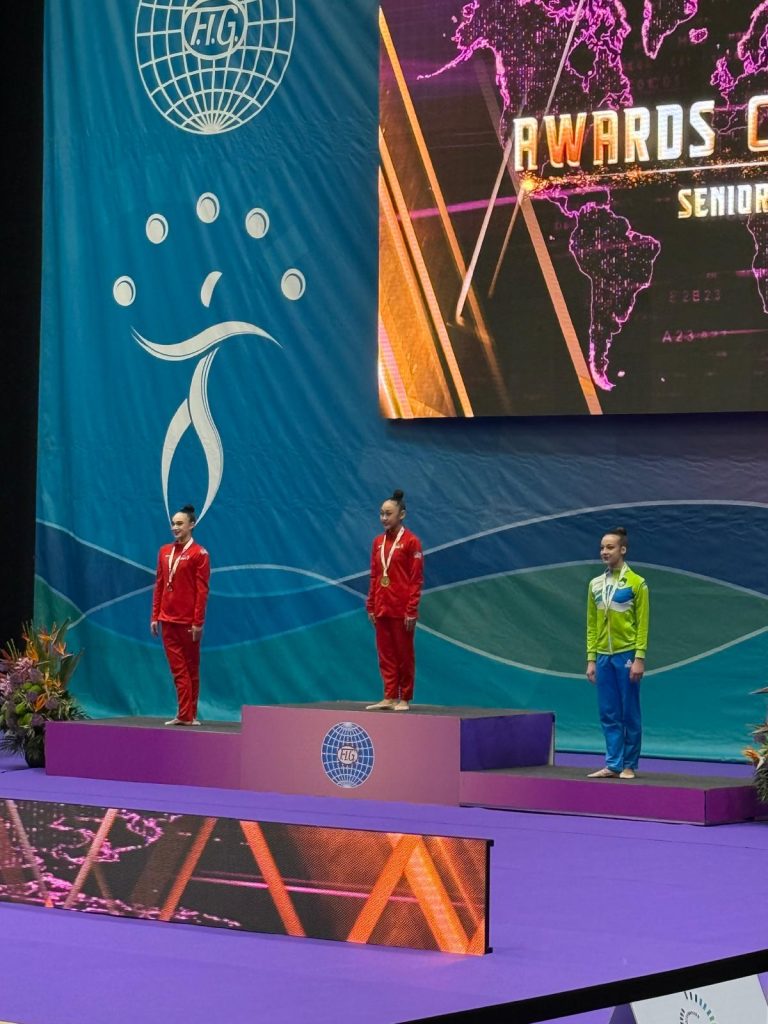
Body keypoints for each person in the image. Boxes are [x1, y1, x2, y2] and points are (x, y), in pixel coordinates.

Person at [586, 526, 649, 779]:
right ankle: (613, 763)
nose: (604, 551)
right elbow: (591, 625)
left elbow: (643, 624)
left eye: (610, 547)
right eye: (602, 547)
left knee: (629, 711)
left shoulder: (637, 583)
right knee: (608, 712)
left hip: (626, 655)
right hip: (603, 656)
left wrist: (639, 658)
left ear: (622, 549)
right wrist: (591, 659)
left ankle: (629, 764)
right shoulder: (595, 584)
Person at [151, 504, 210, 726]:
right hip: (167, 620)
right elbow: (159, 585)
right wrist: (155, 615)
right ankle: (185, 714)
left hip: (188, 622)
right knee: (178, 670)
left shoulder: (199, 554)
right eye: (173, 524)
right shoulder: (164, 551)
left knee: (191, 668)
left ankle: (189, 714)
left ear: (191, 525)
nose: (175, 527)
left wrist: (198, 622)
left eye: (180, 524)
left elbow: (202, 591)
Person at [366, 489, 424, 712]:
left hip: (402, 609)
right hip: (382, 607)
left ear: (402, 515)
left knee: (404, 655)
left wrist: (411, 609)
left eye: (388, 513)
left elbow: (416, 579)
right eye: (381, 513)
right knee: (386, 654)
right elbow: (374, 576)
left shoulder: (411, 542)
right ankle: (389, 696)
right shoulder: (378, 542)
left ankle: (404, 697)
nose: (384, 518)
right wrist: (371, 604)